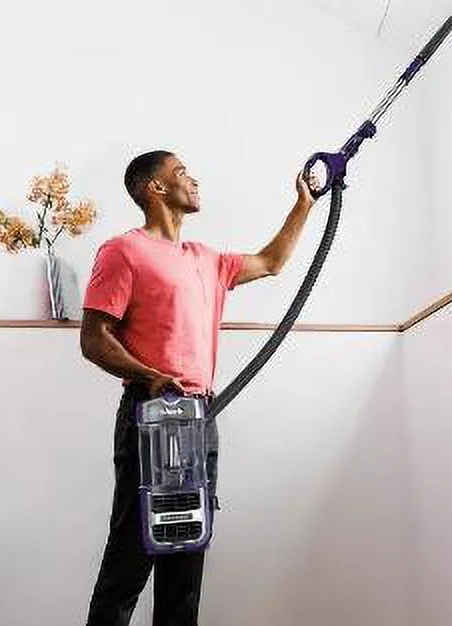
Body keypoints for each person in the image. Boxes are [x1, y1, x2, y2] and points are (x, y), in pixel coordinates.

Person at [80, 150, 318, 626]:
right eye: (182, 172)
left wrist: (303, 205)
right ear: (156, 188)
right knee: (130, 560)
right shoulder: (123, 251)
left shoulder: (205, 259)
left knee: (186, 561)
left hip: (199, 419)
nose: (194, 179)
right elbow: (94, 338)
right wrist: (149, 376)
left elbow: (271, 261)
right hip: (151, 416)